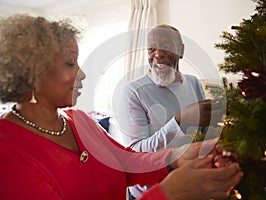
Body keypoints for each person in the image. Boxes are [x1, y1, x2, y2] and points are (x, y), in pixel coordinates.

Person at [0, 14, 242, 200]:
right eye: (70, 63)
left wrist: (177, 159)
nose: (82, 74)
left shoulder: (79, 120)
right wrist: (169, 193)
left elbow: (127, 162)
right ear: (33, 73)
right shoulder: (6, 151)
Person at [116, 24, 225, 199]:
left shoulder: (193, 82)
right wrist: (180, 122)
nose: (158, 54)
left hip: (190, 185)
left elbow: (202, 131)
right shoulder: (133, 92)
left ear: (181, 51)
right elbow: (136, 153)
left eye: (166, 47)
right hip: (152, 193)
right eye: (151, 49)